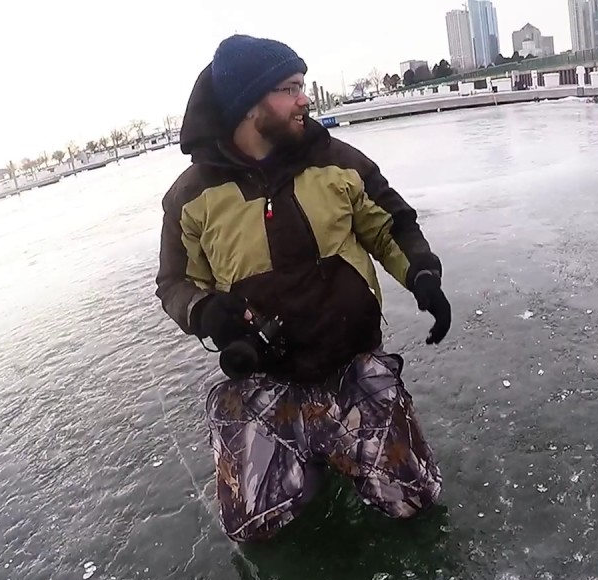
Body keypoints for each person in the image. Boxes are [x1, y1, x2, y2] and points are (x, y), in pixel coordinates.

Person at [156, 35, 453, 542]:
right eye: (290, 88)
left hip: (351, 368)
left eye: (302, 86)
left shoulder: (338, 162)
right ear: (251, 105)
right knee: (256, 530)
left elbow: (391, 226)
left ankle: (347, 446)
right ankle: (303, 462)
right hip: (266, 384)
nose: (305, 98)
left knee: (416, 502)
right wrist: (205, 312)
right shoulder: (191, 198)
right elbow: (175, 283)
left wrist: (422, 276)